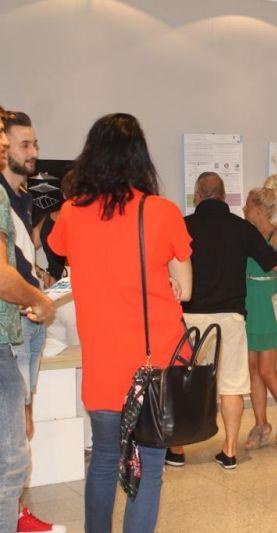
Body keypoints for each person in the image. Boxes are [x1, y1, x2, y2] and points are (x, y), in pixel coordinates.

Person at [47, 113, 193, 532]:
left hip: (103, 366)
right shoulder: (160, 211)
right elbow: (185, 288)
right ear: (139, 157)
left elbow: (63, 251)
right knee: (150, 466)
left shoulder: (71, 213)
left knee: (104, 459)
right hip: (154, 365)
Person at [175, 172, 277, 470]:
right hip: (229, 318)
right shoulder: (241, 228)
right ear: (224, 196)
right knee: (231, 385)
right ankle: (229, 451)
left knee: (185, 382)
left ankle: (176, 450)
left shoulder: (183, 226)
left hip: (190, 318)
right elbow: (276, 263)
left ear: (197, 196)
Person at [0, 110, 65, 533]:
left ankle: (17, 513)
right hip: (14, 323)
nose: (33, 152)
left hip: (22, 321)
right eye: (23, 144)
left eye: (34, 144)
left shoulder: (20, 198)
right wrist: (37, 296)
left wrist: (38, 280)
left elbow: (19, 258)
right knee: (12, 449)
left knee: (21, 423)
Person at [243, 175, 277, 447]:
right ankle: (260, 423)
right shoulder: (246, 234)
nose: (244, 209)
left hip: (271, 303)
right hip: (249, 304)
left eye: (248, 205)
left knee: (267, 370)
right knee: (253, 368)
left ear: (259, 209)